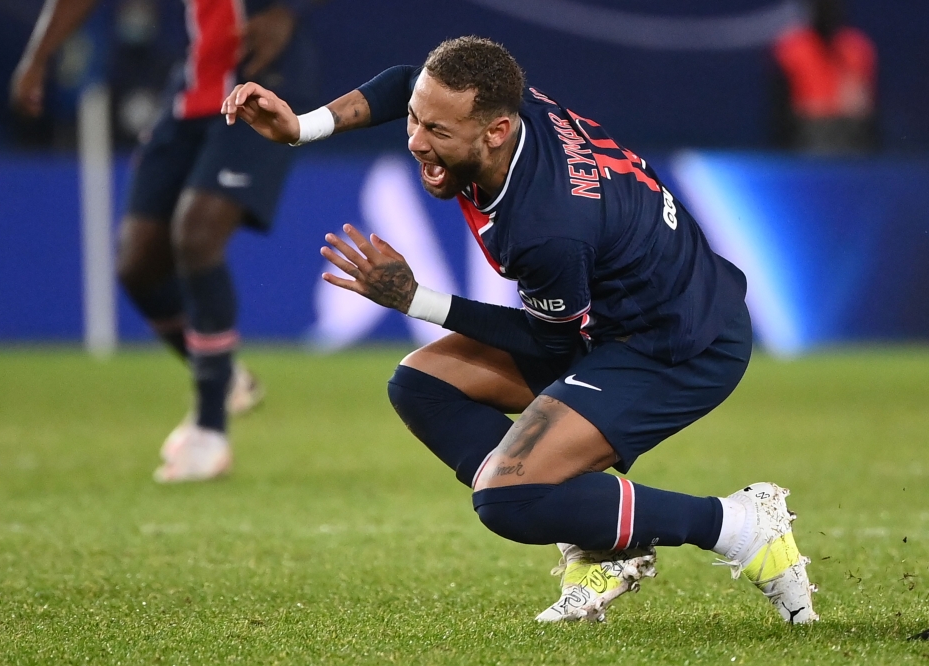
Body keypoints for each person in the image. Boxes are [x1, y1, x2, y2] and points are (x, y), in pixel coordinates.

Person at [222, 36, 819, 623]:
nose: (416, 142)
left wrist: (414, 299)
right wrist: (301, 128)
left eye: (437, 132)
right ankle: (605, 544)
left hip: (677, 344)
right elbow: (408, 80)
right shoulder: (499, 111)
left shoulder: (545, 226)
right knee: (422, 386)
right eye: (415, 121)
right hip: (624, 320)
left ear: (496, 132)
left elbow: (550, 343)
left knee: (510, 499)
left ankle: (739, 525)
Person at [11, 0, 321, 482]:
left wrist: (287, 11)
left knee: (197, 235)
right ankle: (222, 372)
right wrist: (38, 56)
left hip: (263, 72)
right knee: (137, 265)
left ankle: (209, 429)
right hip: (194, 83)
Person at [771, 0, 877, 153]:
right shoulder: (791, 49)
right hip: (807, 138)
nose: (826, 8)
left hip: (851, 138)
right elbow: (781, 114)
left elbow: (867, 110)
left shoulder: (856, 48)